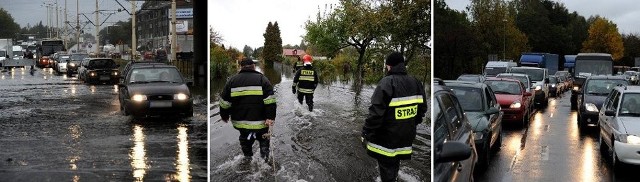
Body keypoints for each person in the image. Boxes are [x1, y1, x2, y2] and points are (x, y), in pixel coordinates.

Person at [362, 52, 427, 182]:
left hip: (386, 137)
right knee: (395, 162)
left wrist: (366, 132)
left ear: (389, 66)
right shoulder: (415, 82)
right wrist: (411, 125)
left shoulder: (386, 82)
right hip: (406, 136)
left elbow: (375, 113)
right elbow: (422, 109)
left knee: (386, 166)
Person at [220, 58, 277, 162]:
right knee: (264, 142)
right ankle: (265, 161)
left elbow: (224, 102)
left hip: (241, 123)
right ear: (254, 66)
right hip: (261, 123)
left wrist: (224, 116)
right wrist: (270, 117)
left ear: (240, 67)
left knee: (245, 141)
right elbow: (270, 101)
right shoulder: (263, 79)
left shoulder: (232, 81)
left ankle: (247, 160)